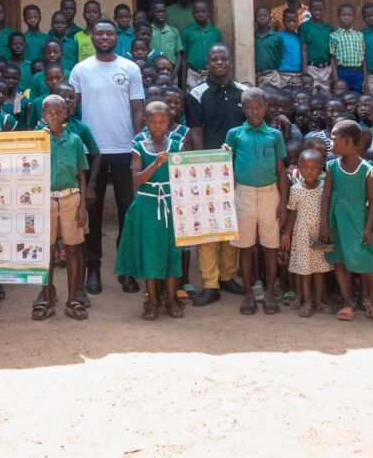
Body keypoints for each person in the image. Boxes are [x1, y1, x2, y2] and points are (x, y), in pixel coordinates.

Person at [70, 18, 145, 294]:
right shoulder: (81, 69)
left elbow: (138, 109)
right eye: (99, 33)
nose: (104, 37)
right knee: (93, 211)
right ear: (92, 37)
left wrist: (137, 146)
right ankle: (94, 268)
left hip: (124, 148)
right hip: (92, 151)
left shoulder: (130, 68)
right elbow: (71, 107)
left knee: (127, 210)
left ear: (117, 37)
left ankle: (126, 269)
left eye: (109, 33)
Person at [186, 44, 247, 306]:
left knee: (232, 224)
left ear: (230, 62)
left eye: (224, 58)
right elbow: (196, 131)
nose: (219, 62)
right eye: (214, 59)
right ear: (207, 63)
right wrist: (202, 169)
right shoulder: (196, 94)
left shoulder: (244, 92)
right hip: (209, 170)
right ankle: (210, 283)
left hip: (238, 168)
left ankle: (227, 276)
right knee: (209, 226)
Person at [114, 101, 184, 320]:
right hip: (148, 205)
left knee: (172, 252)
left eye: (162, 121)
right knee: (150, 253)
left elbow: (186, 174)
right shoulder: (140, 145)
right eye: (153, 122)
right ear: (146, 122)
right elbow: (137, 179)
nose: (158, 125)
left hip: (171, 204)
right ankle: (152, 301)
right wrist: (156, 164)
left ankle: (171, 300)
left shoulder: (176, 144)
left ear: (169, 121)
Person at [226, 88, 288, 315]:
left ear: (266, 108)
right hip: (243, 194)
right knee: (246, 248)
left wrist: (283, 202)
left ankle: (269, 293)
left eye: (259, 107)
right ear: (243, 109)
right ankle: (248, 294)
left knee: (270, 247)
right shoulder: (234, 134)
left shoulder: (274, 135)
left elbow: (281, 170)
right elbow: (228, 167)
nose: (255, 112)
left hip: (270, 194)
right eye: (250, 108)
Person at [30, 95, 90, 321]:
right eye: (49, 113)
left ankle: (73, 299)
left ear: (66, 114)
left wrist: (83, 205)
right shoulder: (36, 139)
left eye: (58, 112)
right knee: (46, 250)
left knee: (73, 249)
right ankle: (46, 298)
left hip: (70, 199)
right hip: (43, 200)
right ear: (43, 116)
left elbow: (81, 173)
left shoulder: (74, 140)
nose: (54, 117)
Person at [321, 121, 373, 323]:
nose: (330, 143)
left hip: (358, 222)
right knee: (339, 261)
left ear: (348, 141)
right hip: (337, 220)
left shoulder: (366, 169)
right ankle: (348, 302)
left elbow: (372, 201)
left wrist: (368, 227)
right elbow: (326, 196)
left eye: (334, 139)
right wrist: (324, 224)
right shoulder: (332, 166)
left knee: (363, 260)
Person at [282, 149, 333, 318]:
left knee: (320, 270)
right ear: (299, 167)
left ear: (321, 168)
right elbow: (293, 213)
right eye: (305, 167)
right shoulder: (296, 189)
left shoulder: (324, 188)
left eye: (314, 167)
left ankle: (318, 300)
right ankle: (307, 302)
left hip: (321, 233)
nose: (310, 171)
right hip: (302, 234)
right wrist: (287, 234)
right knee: (304, 271)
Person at [181, 0, 224, 89]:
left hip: (212, 74)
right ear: (193, 14)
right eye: (197, 12)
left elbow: (221, 57)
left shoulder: (215, 32)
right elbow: (184, 58)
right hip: (193, 74)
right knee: (193, 96)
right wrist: (183, 82)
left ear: (208, 13)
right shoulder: (187, 32)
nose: (200, 14)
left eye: (203, 11)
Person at [329, 3, 366, 93]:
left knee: (358, 96)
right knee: (341, 96)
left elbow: (363, 57)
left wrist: (365, 78)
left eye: (350, 15)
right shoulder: (334, 35)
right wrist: (336, 78)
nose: (347, 18)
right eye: (344, 15)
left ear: (353, 17)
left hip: (358, 73)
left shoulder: (359, 35)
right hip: (342, 72)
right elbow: (332, 58)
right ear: (338, 17)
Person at [299, 0, 333, 93]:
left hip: (326, 68)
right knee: (310, 94)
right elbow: (304, 50)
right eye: (314, 10)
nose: (317, 12)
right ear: (309, 10)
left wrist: (332, 71)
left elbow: (331, 52)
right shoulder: (304, 27)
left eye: (320, 10)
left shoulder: (329, 28)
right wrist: (305, 72)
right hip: (311, 68)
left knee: (326, 94)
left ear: (324, 9)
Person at [148, 0, 184, 75]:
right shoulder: (147, 31)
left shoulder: (174, 31)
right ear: (151, 13)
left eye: (163, 11)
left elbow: (178, 54)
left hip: (171, 71)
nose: (161, 14)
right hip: (152, 72)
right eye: (158, 12)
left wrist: (175, 73)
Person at [254, 6, 284, 88]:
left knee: (273, 94)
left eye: (265, 15)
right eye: (259, 15)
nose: (262, 18)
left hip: (272, 75)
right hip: (255, 75)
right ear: (255, 19)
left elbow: (280, 55)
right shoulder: (252, 37)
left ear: (270, 19)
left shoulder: (276, 37)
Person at [278, 8, 303, 84]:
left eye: (294, 21)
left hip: (299, 73)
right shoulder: (279, 36)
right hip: (284, 73)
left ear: (298, 21)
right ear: (283, 21)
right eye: (288, 21)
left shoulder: (300, 36)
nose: (292, 23)